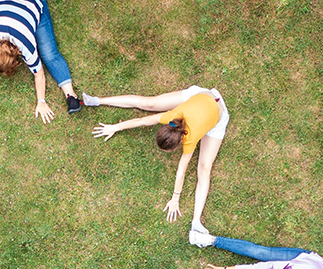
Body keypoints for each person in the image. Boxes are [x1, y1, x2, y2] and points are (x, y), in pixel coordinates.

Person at [88, 86, 230, 234]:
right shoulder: (172, 117)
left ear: (180, 141)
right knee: (149, 104)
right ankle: (97, 101)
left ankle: (196, 221)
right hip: (200, 97)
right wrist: (116, 127)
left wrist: (175, 198)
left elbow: (181, 172)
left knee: (204, 168)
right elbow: (143, 121)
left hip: (218, 111)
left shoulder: (190, 138)